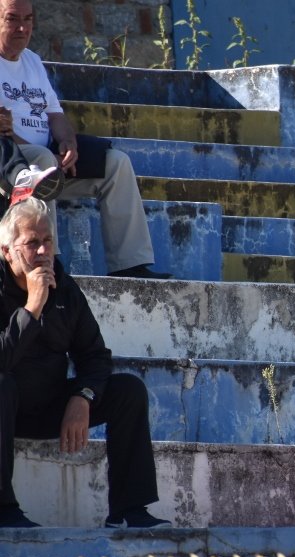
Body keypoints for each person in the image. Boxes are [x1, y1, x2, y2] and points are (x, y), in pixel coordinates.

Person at [0, 196, 169, 528]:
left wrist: (83, 397)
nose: (43, 252)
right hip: (6, 411)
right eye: (32, 243)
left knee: (128, 391)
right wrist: (32, 309)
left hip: (51, 408)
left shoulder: (64, 288)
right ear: (6, 251)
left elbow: (94, 356)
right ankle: (4, 509)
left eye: (48, 241)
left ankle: (128, 510)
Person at [0, 0, 170, 279]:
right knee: (44, 162)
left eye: (28, 19)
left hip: (48, 155)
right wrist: (47, 158)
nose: (22, 27)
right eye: (12, 19)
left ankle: (131, 264)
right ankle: (49, 265)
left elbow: (55, 115)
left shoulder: (33, 61)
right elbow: (2, 131)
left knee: (116, 163)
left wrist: (68, 143)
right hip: (14, 164)